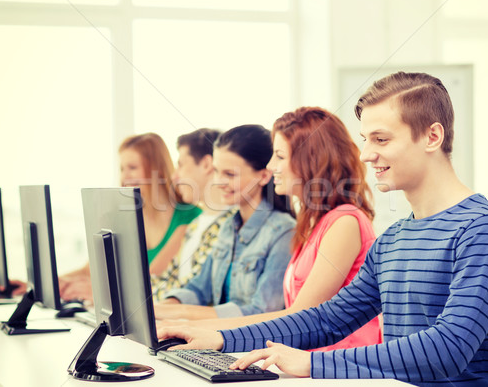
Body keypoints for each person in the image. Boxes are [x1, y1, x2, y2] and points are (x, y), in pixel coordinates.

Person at [157, 72, 488, 386]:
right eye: (366, 140)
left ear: (432, 137)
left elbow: (448, 350)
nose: (366, 154)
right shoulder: (395, 238)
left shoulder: (484, 231)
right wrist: (220, 339)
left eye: (381, 139)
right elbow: (328, 319)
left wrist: (312, 365)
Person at [161, 107, 382, 350]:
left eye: (279, 156)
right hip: (302, 362)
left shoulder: (345, 223)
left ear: (310, 159)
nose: (271, 165)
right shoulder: (312, 224)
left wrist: (198, 328)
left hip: (335, 370)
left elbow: (299, 318)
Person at [153, 124, 296, 320]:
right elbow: (199, 288)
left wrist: (179, 312)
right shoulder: (228, 226)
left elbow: (262, 312)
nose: (219, 181)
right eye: (217, 171)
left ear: (263, 176)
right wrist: (161, 307)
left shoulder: (283, 231)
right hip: (218, 341)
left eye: (230, 174)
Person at [60, 133, 201, 302]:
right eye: (122, 169)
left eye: (132, 168)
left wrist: (99, 291)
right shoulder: (122, 218)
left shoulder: (190, 217)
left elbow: (149, 280)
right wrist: (42, 287)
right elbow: (90, 270)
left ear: (157, 170)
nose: (124, 177)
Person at [152, 128, 236, 299]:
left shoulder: (231, 224)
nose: (175, 176)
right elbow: (168, 280)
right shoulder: (196, 224)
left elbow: (192, 289)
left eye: (181, 165)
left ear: (206, 164)